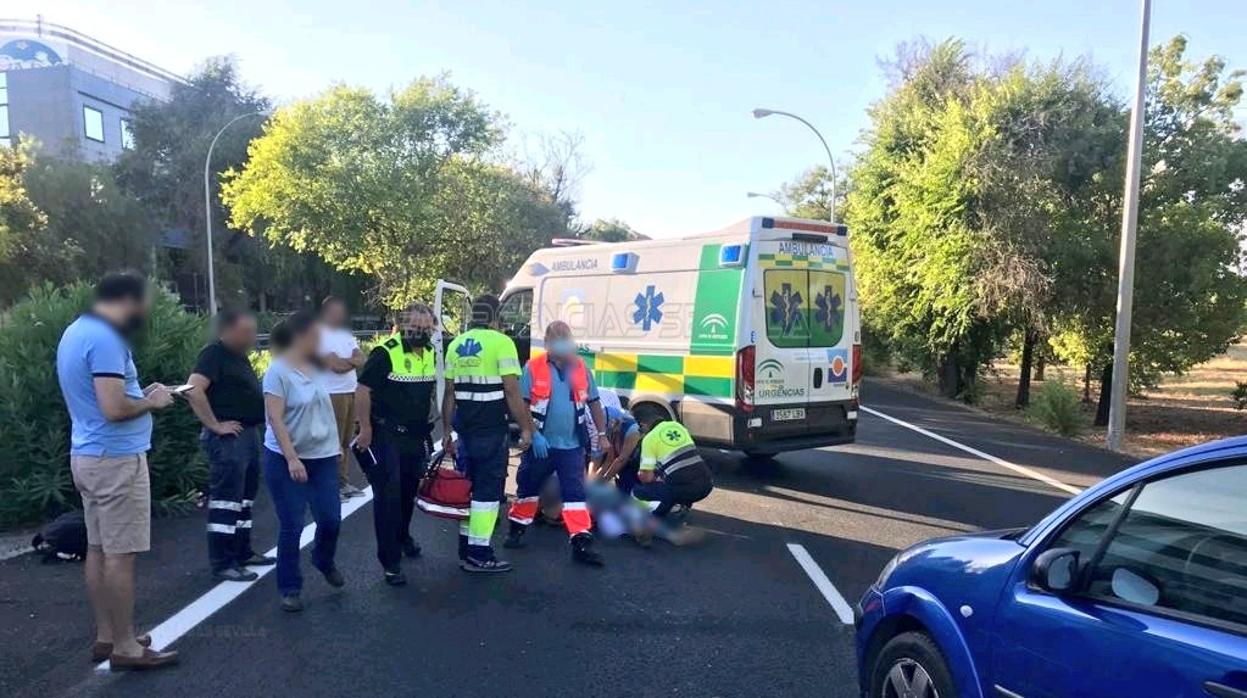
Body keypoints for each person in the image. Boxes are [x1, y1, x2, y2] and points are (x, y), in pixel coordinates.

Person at [56, 272, 178, 669]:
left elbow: (101, 400)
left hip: (88, 455)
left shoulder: (76, 331)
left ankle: (107, 635)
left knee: (98, 548)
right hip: (116, 460)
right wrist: (154, 402)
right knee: (120, 555)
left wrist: (138, 394)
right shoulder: (107, 338)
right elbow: (113, 409)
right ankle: (126, 646)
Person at [441, 294, 534, 573]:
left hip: (465, 429)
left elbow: (449, 395)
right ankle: (480, 553)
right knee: (488, 493)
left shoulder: (456, 344)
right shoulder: (502, 343)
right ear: (495, 317)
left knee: (469, 488)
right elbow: (512, 391)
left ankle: (466, 546)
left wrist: (446, 431)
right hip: (491, 430)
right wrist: (526, 427)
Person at [184, 309, 277, 581]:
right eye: (246, 332)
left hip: (247, 435)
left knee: (244, 499)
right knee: (226, 501)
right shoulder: (214, 354)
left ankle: (242, 551)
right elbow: (193, 388)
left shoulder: (239, 357)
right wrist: (215, 425)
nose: (251, 337)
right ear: (228, 330)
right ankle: (223, 561)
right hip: (228, 441)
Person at [504, 321, 606, 566]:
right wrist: (532, 433)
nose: (561, 344)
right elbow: (523, 404)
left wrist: (602, 434)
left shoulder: (581, 368)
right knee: (529, 488)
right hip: (542, 444)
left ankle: (581, 542)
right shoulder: (534, 367)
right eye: (556, 339)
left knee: (575, 496)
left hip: (571, 445)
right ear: (548, 343)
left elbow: (593, 402)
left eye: (565, 338)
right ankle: (516, 528)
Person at [262, 311, 345, 612]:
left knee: (331, 519)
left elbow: (324, 409)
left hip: (322, 458)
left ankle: (323, 559)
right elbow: (275, 418)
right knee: (292, 525)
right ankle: (290, 587)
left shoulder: (316, 366)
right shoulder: (278, 372)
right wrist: (292, 458)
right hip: (286, 460)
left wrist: (335, 446)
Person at [354, 302, 437, 586]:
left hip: (415, 436)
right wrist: (364, 428)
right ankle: (390, 562)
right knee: (388, 498)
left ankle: (402, 537)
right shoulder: (385, 353)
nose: (421, 333)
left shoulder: (430, 352)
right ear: (402, 326)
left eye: (426, 329)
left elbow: (427, 390)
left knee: (408, 492)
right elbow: (362, 391)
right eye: (415, 328)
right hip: (387, 435)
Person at [630, 417, 714, 546]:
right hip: (706, 484)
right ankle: (678, 513)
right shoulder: (678, 427)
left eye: (640, 428)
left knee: (638, 491)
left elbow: (645, 477)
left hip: (682, 489)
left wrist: (653, 476)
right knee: (675, 482)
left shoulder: (649, 438)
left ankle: (644, 530)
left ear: (644, 425)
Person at [317, 297, 367, 501]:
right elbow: (334, 366)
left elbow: (361, 359)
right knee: (332, 442)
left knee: (346, 441)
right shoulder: (318, 335)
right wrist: (350, 362)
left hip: (350, 391)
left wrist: (346, 361)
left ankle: (343, 482)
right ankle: (329, 485)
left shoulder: (346, 335)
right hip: (331, 393)